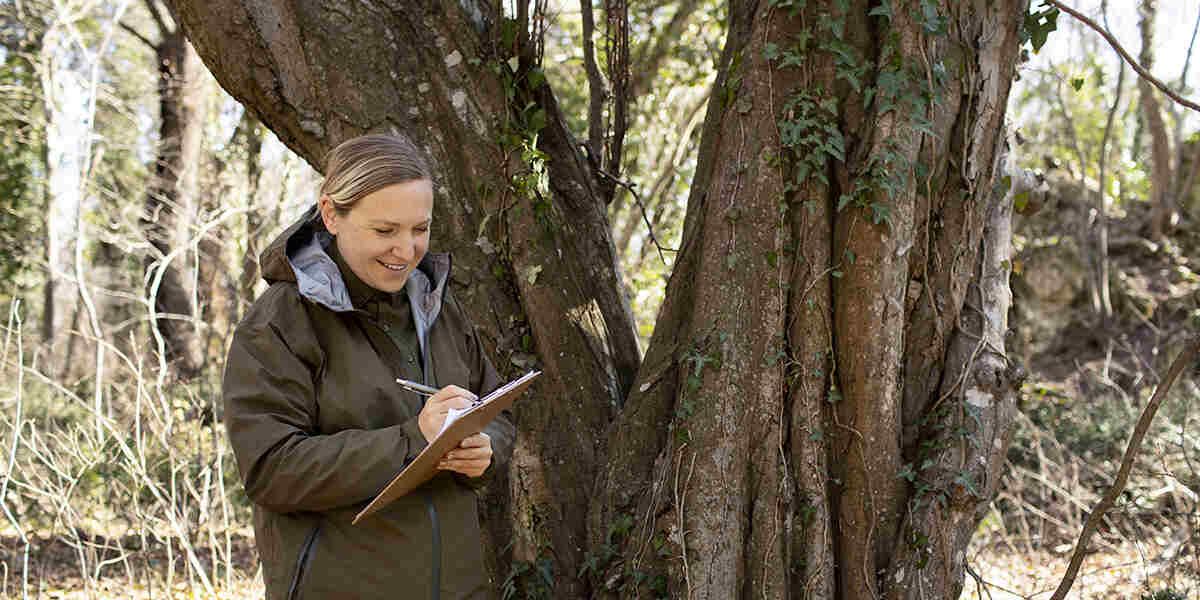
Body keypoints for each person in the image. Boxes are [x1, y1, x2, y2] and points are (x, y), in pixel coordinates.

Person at [222, 133, 515, 600]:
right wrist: (414, 441)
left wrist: (486, 448)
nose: (406, 249)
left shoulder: (438, 304)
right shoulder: (280, 322)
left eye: (420, 229)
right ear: (331, 214)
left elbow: (495, 408)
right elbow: (271, 470)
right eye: (385, 231)